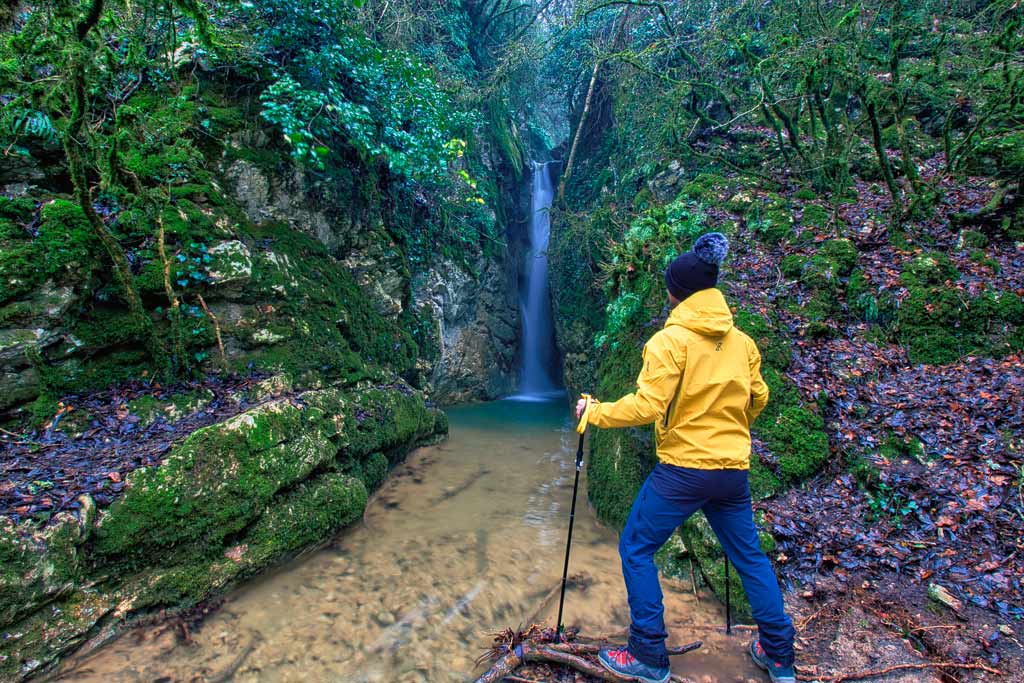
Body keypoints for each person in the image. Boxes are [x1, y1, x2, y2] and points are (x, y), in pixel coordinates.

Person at [575, 232, 796, 683]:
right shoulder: (743, 343)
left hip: (683, 471)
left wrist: (595, 412)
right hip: (731, 471)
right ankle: (779, 656)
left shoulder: (670, 341)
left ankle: (648, 653)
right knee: (750, 558)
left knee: (636, 547)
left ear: (677, 292)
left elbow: (647, 406)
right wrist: (730, 428)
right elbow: (758, 397)